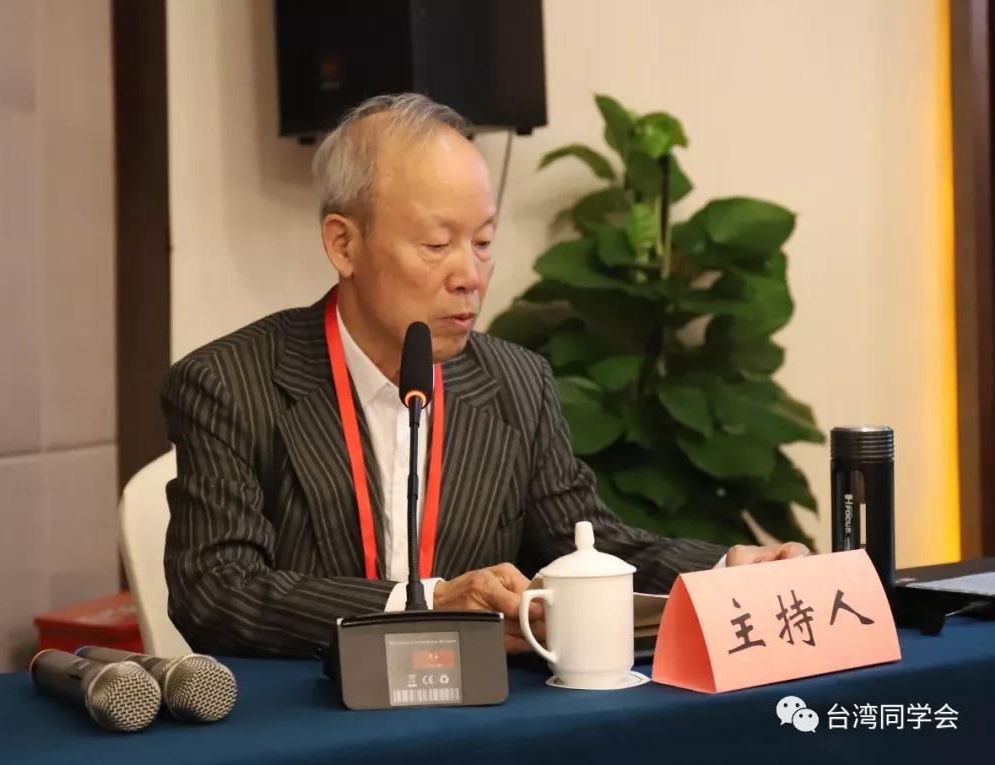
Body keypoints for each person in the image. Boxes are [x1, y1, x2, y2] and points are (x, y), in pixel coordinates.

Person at [161, 93, 809, 658]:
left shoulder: (516, 383)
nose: (469, 275)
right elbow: (216, 590)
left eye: (484, 242)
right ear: (344, 244)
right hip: (313, 716)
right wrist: (425, 605)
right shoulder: (229, 384)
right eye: (437, 244)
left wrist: (724, 568)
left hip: (475, 714)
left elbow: (584, 544)